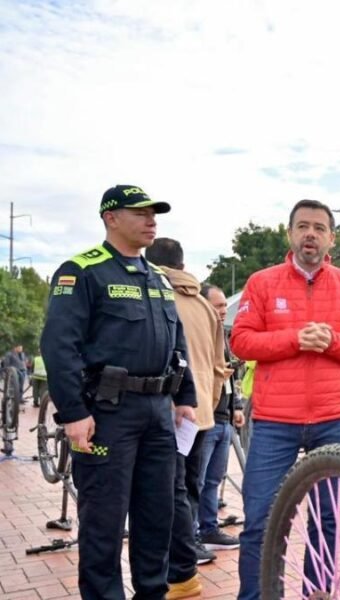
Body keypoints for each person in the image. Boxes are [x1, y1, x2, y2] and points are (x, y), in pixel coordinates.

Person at [40, 184, 197, 599]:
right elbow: (59, 345)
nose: (152, 221)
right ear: (111, 218)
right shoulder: (81, 271)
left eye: (154, 213)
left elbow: (177, 343)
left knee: (156, 516)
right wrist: (72, 412)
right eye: (140, 213)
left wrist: (186, 398)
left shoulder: (158, 277)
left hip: (158, 412)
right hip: (107, 412)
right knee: (104, 522)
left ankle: (151, 593)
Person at [231, 199, 340, 600]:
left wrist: (332, 341)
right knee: (259, 518)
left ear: (332, 237)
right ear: (290, 233)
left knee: (327, 519)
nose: (310, 234)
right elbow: (241, 341)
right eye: (302, 226)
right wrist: (295, 338)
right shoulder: (261, 282)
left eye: (318, 227)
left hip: (333, 416)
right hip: (275, 419)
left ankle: (317, 593)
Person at [145, 237, 229, 597]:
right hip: (202, 414)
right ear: (182, 263)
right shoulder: (204, 305)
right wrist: (205, 407)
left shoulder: (154, 294)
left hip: (167, 411)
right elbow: (218, 365)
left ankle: (175, 568)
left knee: (165, 492)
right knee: (189, 488)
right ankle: (188, 555)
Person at [197, 284, 245, 551]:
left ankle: (208, 529)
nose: (223, 311)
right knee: (196, 481)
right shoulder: (197, 335)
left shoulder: (223, 338)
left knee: (214, 480)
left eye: (225, 306)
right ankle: (190, 535)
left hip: (224, 419)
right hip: (205, 421)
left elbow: (231, 376)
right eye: (218, 306)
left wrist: (236, 406)